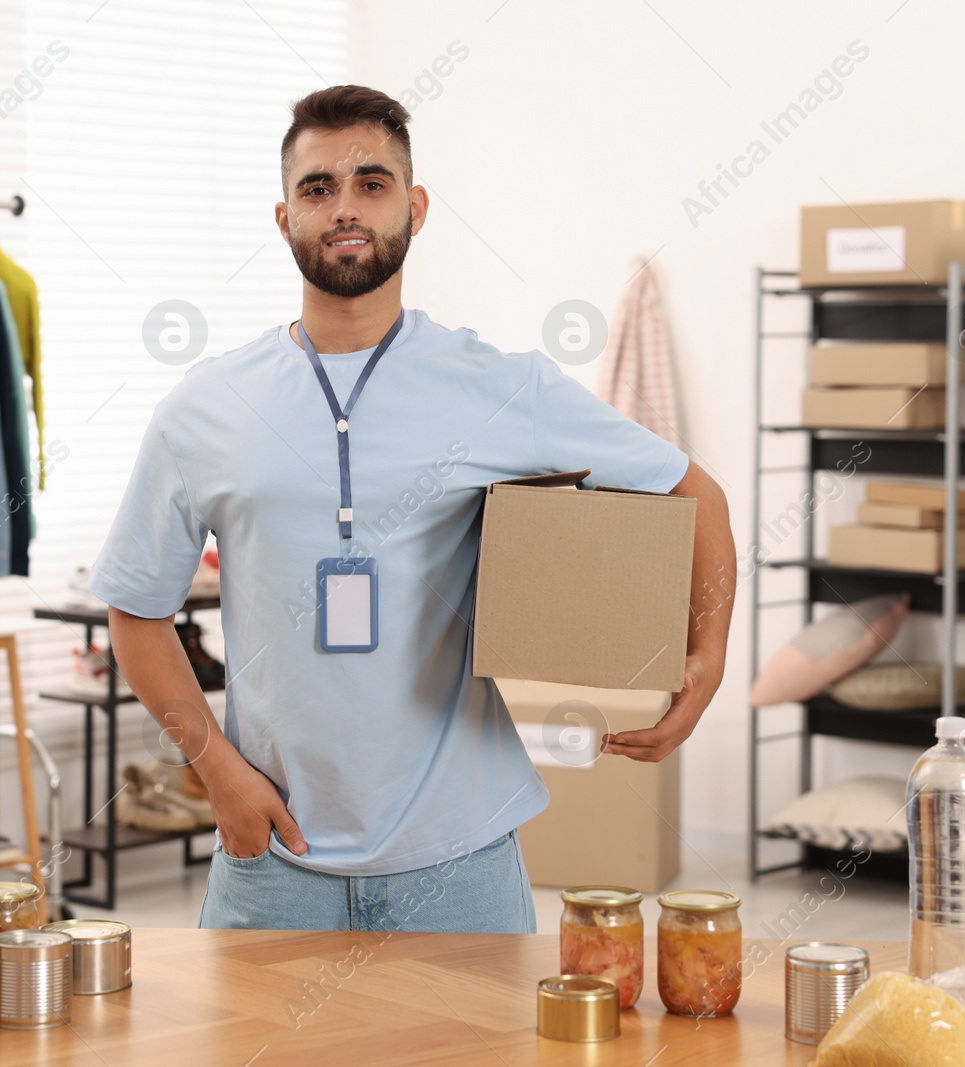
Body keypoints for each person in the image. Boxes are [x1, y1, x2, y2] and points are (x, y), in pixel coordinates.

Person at [91, 84, 734, 933]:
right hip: (273, 860)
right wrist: (220, 773)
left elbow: (698, 493)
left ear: (416, 207)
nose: (344, 207)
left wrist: (707, 657)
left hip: (461, 866)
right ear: (283, 217)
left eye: (372, 181)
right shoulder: (203, 409)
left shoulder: (502, 388)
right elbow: (136, 610)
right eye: (317, 188)